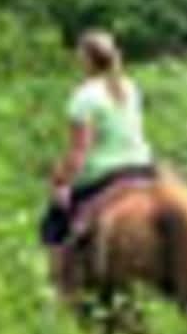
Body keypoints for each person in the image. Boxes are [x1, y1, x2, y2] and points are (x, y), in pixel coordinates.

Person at [41, 29, 157, 293]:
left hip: (103, 173)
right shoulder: (129, 87)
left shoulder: (84, 97)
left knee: (54, 222)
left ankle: (61, 286)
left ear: (86, 59)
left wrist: (61, 180)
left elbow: (80, 150)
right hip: (142, 168)